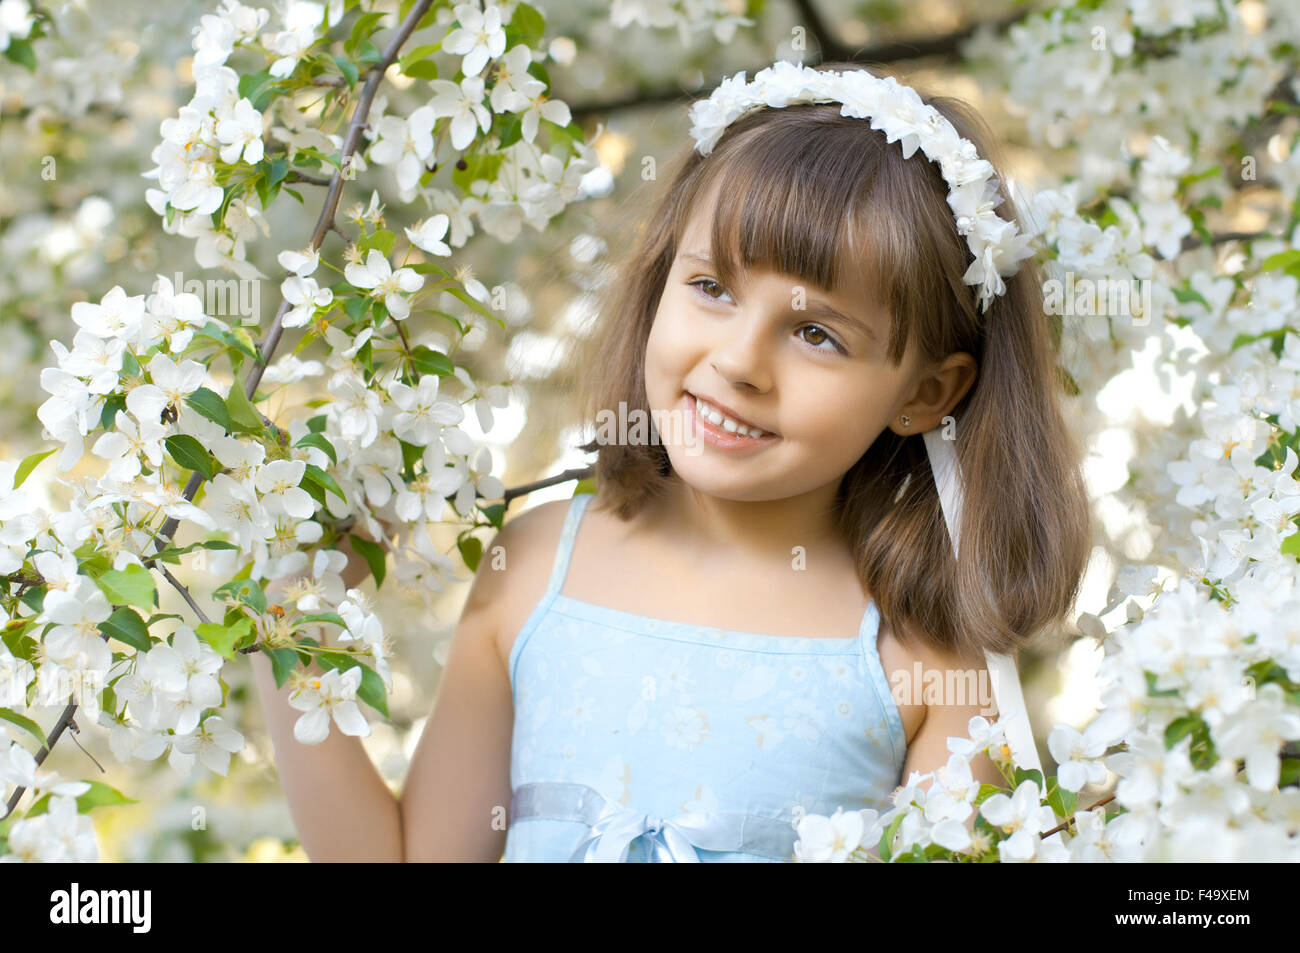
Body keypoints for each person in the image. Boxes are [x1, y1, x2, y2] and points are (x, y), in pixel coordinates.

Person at [252, 60, 1092, 862]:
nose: (738, 361)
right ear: (660, 279)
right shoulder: (535, 564)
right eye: (713, 289)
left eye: (817, 333)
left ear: (928, 392)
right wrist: (291, 628)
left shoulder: (926, 651)